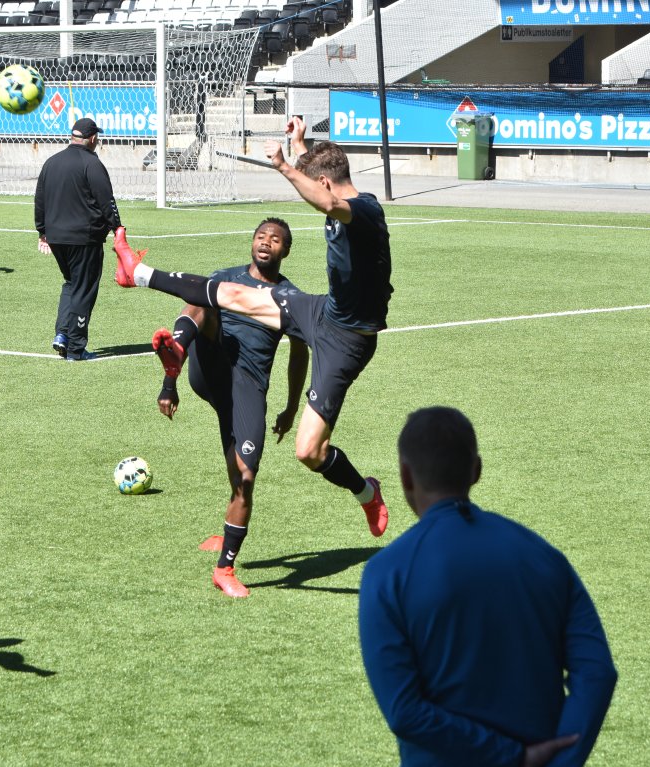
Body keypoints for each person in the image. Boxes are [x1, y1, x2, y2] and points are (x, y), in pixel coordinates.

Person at [114, 120, 393, 534]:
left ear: (323, 183)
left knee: (309, 452)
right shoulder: (333, 187)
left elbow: (329, 201)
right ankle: (138, 273)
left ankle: (367, 493)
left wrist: (283, 165)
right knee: (232, 293)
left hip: (347, 343)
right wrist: (300, 145)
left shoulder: (364, 210)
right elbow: (323, 185)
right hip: (323, 312)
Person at [358, 407, 618, 767]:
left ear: (405, 476)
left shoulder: (386, 573)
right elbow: (597, 673)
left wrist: (512, 760)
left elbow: (405, 712)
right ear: (476, 470)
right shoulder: (544, 557)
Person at [153, 218, 309, 598]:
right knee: (204, 294)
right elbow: (203, 302)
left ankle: (225, 551)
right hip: (211, 366)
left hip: (247, 388)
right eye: (261, 236)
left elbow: (299, 353)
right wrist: (169, 384)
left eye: (275, 239)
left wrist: (291, 407)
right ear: (252, 242)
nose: (266, 242)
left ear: (286, 250)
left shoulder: (290, 298)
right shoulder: (226, 277)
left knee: (244, 477)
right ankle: (176, 352)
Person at [35, 117, 123, 362]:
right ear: (93, 138)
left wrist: (42, 231)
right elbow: (106, 200)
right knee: (84, 289)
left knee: (71, 283)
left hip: (56, 237)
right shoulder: (92, 163)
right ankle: (75, 347)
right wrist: (117, 227)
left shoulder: (52, 162)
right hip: (84, 238)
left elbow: (40, 199)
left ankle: (62, 334)